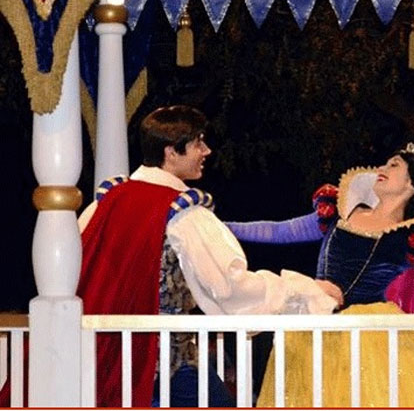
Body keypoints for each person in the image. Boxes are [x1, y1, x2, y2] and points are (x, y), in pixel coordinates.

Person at [75, 105, 340, 407]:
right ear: (171, 152)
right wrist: (305, 291)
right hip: (161, 359)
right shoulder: (182, 212)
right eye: (198, 142)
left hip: (102, 353)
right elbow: (229, 286)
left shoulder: (106, 201)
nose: (207, 151)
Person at [225, 142, 414, 406]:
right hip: (315, 319)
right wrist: (220, 227)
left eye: (394, 165)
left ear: (412, 185)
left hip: (368, 336)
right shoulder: (341, 212)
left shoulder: (410, 237)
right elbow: (278, 231)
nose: (382, 168)